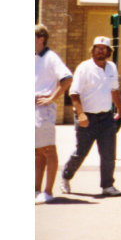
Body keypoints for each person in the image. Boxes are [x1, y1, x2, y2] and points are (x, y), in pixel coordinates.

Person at [61, 36, 121, 197]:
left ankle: (108, 186)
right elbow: (74, 93)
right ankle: (65, 177)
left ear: (109, 51)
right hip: (87, 119)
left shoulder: (111, 67)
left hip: (106, 118)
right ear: (93, 50)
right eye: (97, 47)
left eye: (104, 48)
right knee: (80, 153)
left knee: (108, 154)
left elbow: (114, 90)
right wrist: (81, 114)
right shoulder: (84, 67)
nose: (100, 50)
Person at [35, 25, 73, 204]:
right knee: (37, 152)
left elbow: (67, 78)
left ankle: (48, 191)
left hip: (43, 110)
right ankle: (37, 190)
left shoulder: (51, 57)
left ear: (41, 38)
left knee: (48, 149)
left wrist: (51, 98)